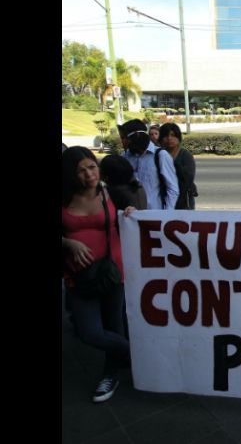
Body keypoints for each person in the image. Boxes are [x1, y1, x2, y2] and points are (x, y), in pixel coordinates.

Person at [61, 146, 134, 402]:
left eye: (92, 167)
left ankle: (111, 373)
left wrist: (131, 214)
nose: (89, 174)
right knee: (89, 332)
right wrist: (68, 243)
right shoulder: (64, 198)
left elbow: (137, 213)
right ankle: (138, 353)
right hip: (78, 276)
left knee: (114, 325)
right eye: (81, 171)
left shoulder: (110, 193)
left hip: (113, 273)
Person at [121, 119, 179, 210]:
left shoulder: (160, 155)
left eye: (124, 138)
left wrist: (166, 215)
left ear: (136, 137)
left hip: (154, 215)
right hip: (130, 216)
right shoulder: (124, 157)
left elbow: (173, 189)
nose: (123, 142)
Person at [159, 122, 197, 209]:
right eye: (166, 136)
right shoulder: (158, 155)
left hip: (183, 202)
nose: (169, 138)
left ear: (178, 137)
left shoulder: (185, 155)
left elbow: (188, 179)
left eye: (173, 135)